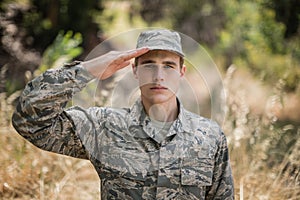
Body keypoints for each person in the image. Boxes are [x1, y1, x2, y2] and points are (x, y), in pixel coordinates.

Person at [12, 29, 234, 199]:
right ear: (135, 70)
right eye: (148, 65)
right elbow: (29, 119)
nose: (158, 76)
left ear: (181, 72)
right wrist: (89, 69)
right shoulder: (104, 127)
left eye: (168, 66)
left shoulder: (209, 136)